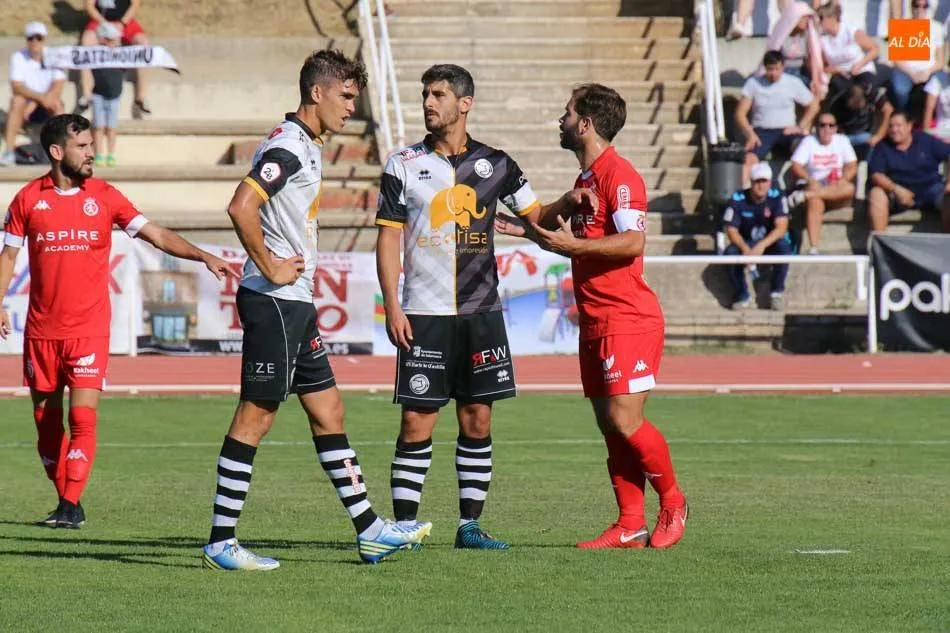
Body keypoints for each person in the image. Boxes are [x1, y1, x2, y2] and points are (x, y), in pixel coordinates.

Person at [200, 50, 431, 572]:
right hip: (275, 302)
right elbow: (241, 205)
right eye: (347, 96)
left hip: (295, 306)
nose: (353, 107)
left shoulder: (307, 144)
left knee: (329, 412)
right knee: (255, 416)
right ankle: (221, 541)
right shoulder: (289, 145)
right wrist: (270, 265)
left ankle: (370, 532)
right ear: (317, 92)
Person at [0, 113, 236, 528]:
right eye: (83, 147)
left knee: (83, 418)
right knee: (45, 421)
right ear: (57, 152)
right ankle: (65, 501)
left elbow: (157, 234)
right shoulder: (26, 201)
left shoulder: (106, 196)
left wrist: (203, 255)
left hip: (89, 330)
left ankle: (72, 505)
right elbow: (7, 257)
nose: (93, 153)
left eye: (92, 145)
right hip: (41, 331)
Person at [495, 83, 688, 549]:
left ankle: (674, 501)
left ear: (585, 124)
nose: (560, 121)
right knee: (609, 425)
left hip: (628, 316)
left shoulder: (619, 176)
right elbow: (562, 238)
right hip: (596, 318)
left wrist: (572, 246)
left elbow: (632, 243)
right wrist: (522, 228)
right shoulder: (585, 182)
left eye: (566, 114)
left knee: (626, 421)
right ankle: (629, 522)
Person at [375, 64, 549, 550]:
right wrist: (392, 304)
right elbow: (388, 240)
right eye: (425, 94)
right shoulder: (403, 163)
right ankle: (405, 528)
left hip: (481, 313)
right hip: (424, 314)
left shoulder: (499, 164)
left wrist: (576, 202)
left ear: (464, 104)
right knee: (416, 421)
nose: (428, 103)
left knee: (478, 419)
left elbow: (537, 217)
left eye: (438, 95)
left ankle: (468, 526)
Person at [735, 50, 819, 187]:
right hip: (762, 131)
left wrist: (800, 126)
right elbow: (740, 113)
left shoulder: (793, 82)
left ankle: (803, 187)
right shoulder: (753, 83)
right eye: (770, 69)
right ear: (765, 68)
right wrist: (750, 134)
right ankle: (736, 198)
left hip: (787, 131)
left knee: (803, 148)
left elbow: (813, 106)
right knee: (749, 160)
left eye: (777, 69)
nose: (773, 73)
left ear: (783, 67)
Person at [721, 163, 793, 310]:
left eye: (764, 181)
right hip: (745, 241)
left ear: (770, 182)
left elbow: (782, 227)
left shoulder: (777, 196)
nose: (761, 186)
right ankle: (742, 295)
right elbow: (731, 229)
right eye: (757, 181)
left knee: (784, 248)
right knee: (730, 253)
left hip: (769, 242)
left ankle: (776, 293)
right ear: (751, 182)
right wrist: (745, 248)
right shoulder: (738, 198)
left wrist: (762, 245)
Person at [867, 111, 950, 232]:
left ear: (909, 126)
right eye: (891, 126)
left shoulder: (925, 140)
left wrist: (949, 183)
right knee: (876, 194)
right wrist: (896, 189)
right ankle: (879, 243)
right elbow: (876, 174)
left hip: (931, 188)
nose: (894, 130)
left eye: (898, 125)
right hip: (897, 192)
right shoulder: (882, 146)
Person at [787, 111, 857, 253]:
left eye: (831, 125)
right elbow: (796, 165)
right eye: (822, 125)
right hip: (817, 184)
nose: (827, 129)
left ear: (836, 128)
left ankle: (807, 195)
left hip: (836, 188)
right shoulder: (809, 141)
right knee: (815, 201)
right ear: (816, 127)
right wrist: (810, 179)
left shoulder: (842, 140)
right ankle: (813, 247)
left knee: (849, 188)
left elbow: (852, 165)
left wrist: (843, 179)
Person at [1, 21, 66, 166]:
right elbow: (16, 87)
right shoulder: (18, 56)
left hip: (44, 103)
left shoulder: (54, 56)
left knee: (57, 104)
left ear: (44, 39)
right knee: (17, 101)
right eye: (31, 38)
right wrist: (38, 100)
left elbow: (58, 85)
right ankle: (9, 151)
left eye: (39, 38)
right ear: (27, 40)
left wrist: (36, 102)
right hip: (27, 104)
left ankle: (61, 153)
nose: (35, 42)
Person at [77, 0, 151, 118]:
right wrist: (104, 23)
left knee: (144, 45)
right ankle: (86, 94)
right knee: (86, 44)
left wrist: (122, 23)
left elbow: (135, 4)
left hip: (124, 22)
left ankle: (141, 96)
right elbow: (89, 6)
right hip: (100, 22)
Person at [888, 0, 946, 116]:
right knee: (900, 90)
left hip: (929, 71)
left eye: (924, 6)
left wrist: (927, 72)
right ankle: (903, 116)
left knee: (937, 86)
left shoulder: (937, 27)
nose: (920, 9)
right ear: (911, 6)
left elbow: (940, 60)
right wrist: (912, 73)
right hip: (906, 71)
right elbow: (896, 60)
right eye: (917, 5)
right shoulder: (901, 25)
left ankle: (932, 121)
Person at [817, 2, 879, 107]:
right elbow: (822, 67)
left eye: (821, 18)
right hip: (841, 74)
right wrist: (837, 70)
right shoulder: (822, 39)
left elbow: (874, 49)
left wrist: (859, 64)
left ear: (832, 18)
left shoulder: (850, 31)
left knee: (857, 92)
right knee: (838, 91)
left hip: (861, 70)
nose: (819, 22)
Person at [90, 22, 125, 166]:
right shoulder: (94, 54)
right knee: (98, 125)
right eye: (109, 39)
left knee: (111, 126)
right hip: (98, 94)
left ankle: (111, 154)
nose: (113, 43)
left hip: (114, 94)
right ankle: (98, 153)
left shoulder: (121, 54)